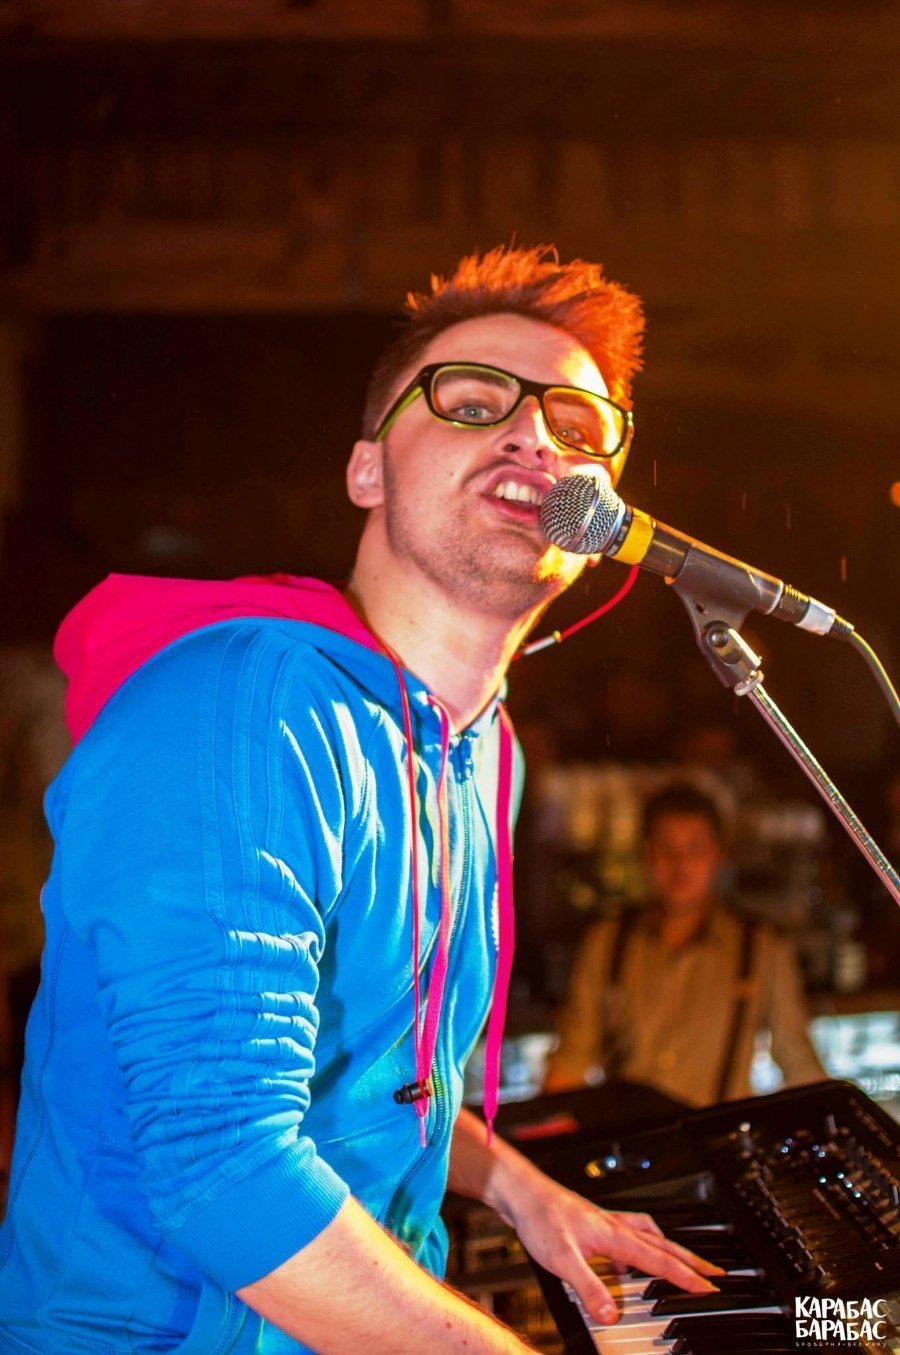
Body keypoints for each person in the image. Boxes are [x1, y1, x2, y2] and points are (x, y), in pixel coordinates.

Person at [0, 246, 719, 1354]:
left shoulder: (484, 750)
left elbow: (382, 1084)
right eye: (472, 404)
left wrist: (523, 1189)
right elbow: (222, 1161)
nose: (536, 438)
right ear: (366, 472)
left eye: (577, 427)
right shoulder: (244, 706)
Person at [545, 782, 826, 1106]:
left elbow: (798, 1061)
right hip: (634, 1133)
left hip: (717, 1134)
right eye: (667, 849)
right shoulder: (607, 942)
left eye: (695, 849)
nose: (680, 864)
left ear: (718, 855)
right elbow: (572, 1058)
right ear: (646, 854)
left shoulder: (762, 948)